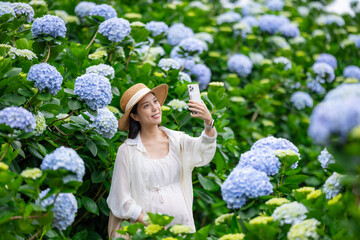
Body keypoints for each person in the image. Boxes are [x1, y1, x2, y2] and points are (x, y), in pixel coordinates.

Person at [107, 83, 217, 238]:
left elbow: (203, 151)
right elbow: (120, 199)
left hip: (181, 226)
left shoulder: (177, 140)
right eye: (146, 105)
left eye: (155, 101)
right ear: (134, 116)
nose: (155, 108)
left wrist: (209, 123)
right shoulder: (127, 151)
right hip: (147, 232)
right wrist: (151, 224)